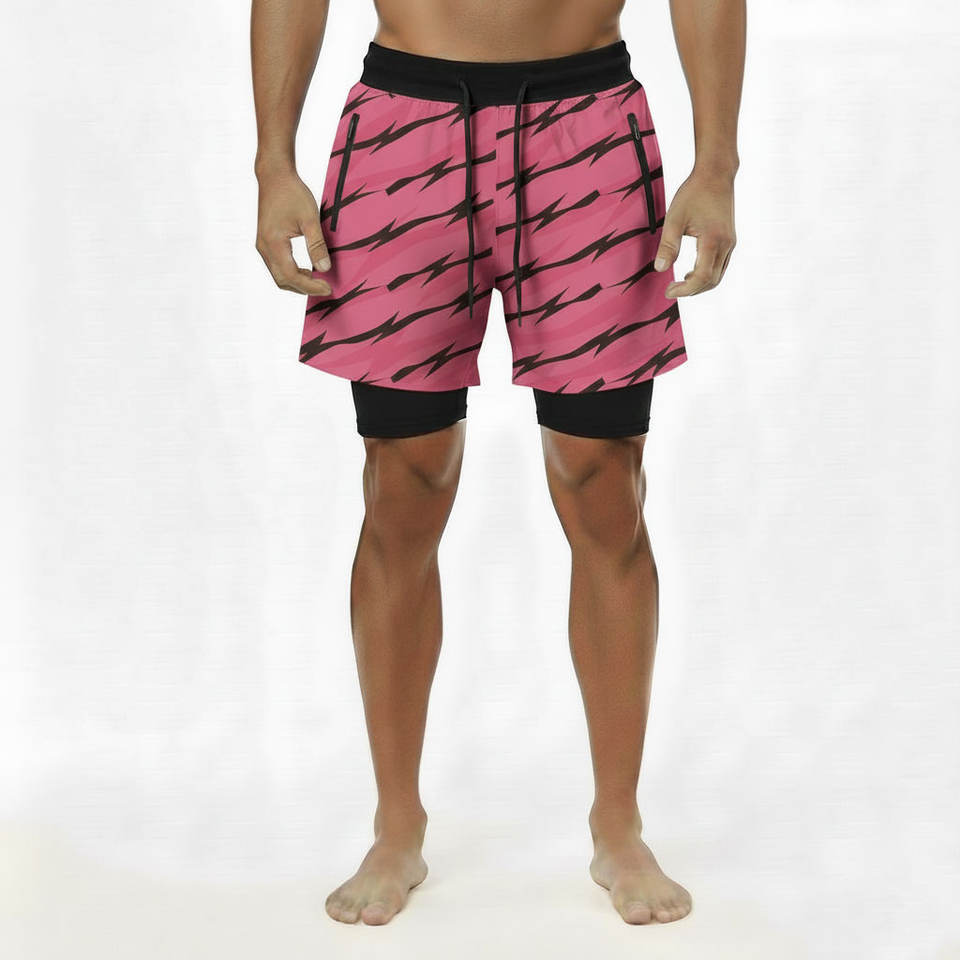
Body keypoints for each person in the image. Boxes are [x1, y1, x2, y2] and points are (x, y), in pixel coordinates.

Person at [251, 0, 744, 927]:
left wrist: (716, 163)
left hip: (589, 128)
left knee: (604, 483)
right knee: (402, 483)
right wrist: (273, 162)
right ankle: (396, 824)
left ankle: (618, 821)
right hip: (404, 128)